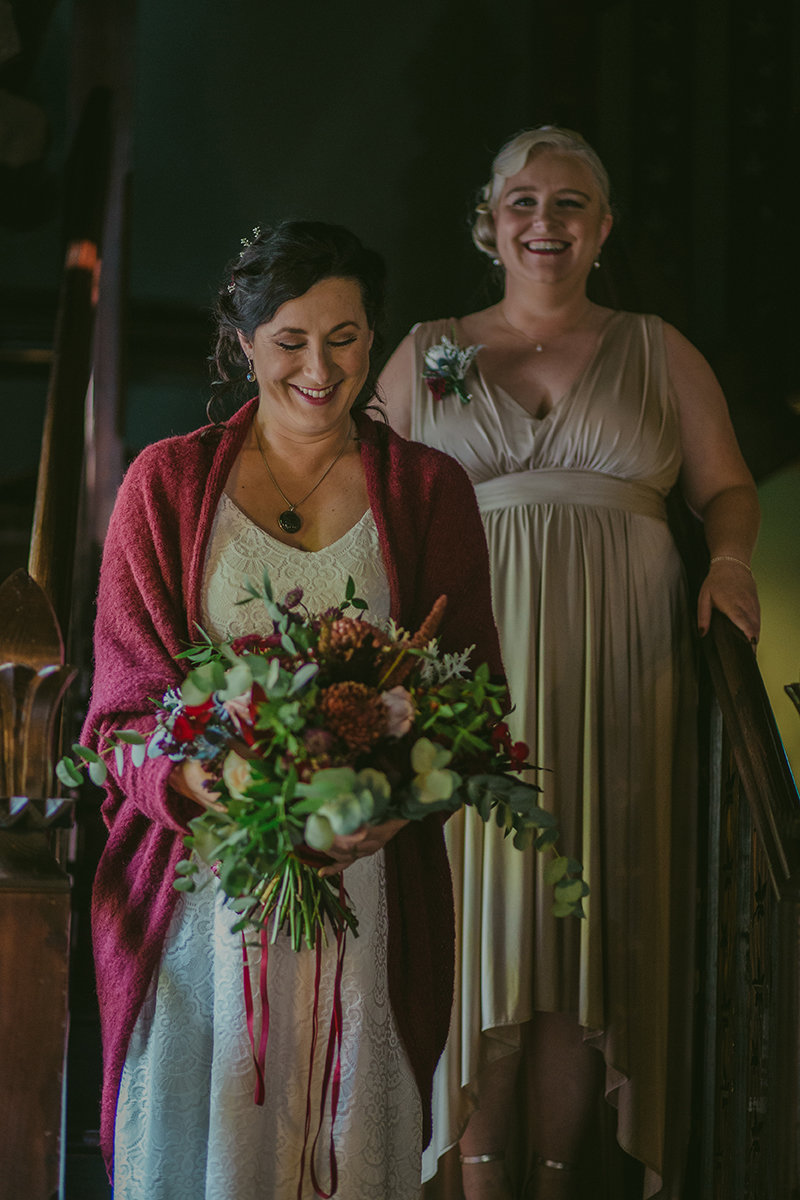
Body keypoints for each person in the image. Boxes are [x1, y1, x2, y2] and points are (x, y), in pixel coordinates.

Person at [82, 220, 503, 1200]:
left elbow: (472, 704)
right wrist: (207, 780)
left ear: (374, 334)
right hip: (200, 893)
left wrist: (393, 807)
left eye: (346, 338)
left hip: (368, 891)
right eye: (291, 341)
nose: (320, 368)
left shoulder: (429, 492)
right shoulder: (167, 485)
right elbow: (118, 720)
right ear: (241, 342)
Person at [380, 127, 760, 1200]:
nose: (543, 223)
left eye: (570, 204)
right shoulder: (424, 350)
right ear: (486, 223)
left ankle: (567, 1178)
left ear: (601, 227)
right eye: (522, 202)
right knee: (481, 928)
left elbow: (723, 487)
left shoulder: (656, 347)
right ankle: (476, 1173)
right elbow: (358, 501)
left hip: (623, 668)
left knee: (589, 926)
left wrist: (725, 560)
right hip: (474, 671)